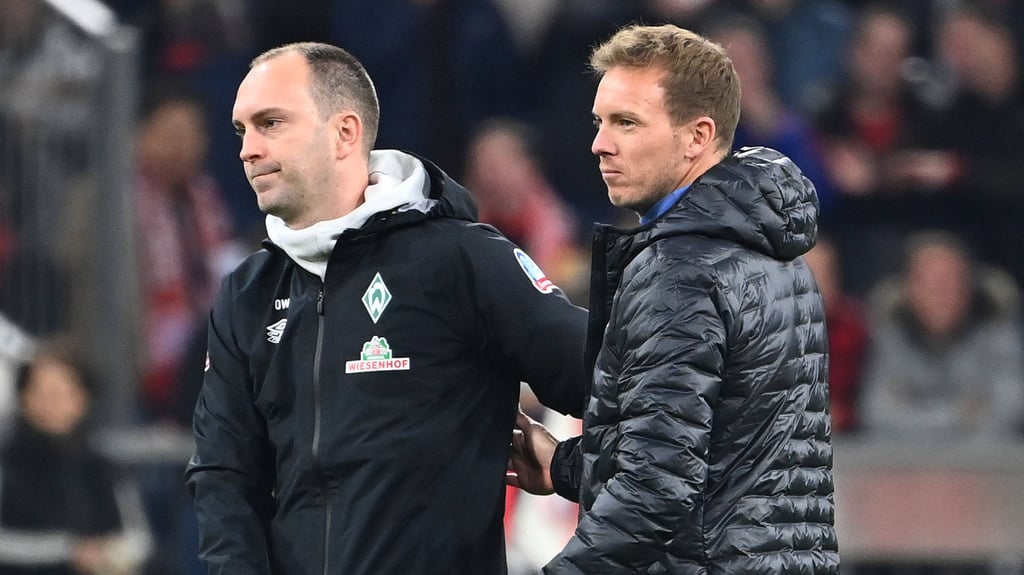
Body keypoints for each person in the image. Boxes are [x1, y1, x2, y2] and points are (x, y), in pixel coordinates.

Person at [184, 42, 589, 575]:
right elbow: (223, 477)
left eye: (271, 123)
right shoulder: (248, 291)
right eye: (242, 130)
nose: (247, 149)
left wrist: (568, 467)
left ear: (345, 133)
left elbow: (627, 389)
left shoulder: (461, 260)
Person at [506, 24, 839, 574]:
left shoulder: (681, 270)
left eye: (626, 123)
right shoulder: (776, 251)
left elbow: (656, 493)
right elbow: (719, 461)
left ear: (697, 135)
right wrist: (566, 466)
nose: (600, 143)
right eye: (600, 122)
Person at [0, 337, 152, 575]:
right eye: (42, 393)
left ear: (83, 399)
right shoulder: (7, 462)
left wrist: (110, 554)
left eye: (63, 393)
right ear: (23, 398)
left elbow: (137, 538)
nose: (52, 404)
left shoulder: (103, 465)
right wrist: (68, 551)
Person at [858, 231, 1024, 440]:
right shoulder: (887, 334)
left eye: (951, 282)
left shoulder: (999, 331)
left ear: (968, 286)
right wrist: (963, 414)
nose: (942, 294)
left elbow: (1009, 412)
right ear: (909, 289)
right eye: (931, 284)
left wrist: (916, 415)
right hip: (904, 465)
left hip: (987, 464)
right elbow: (878, 415)